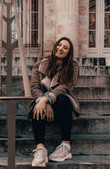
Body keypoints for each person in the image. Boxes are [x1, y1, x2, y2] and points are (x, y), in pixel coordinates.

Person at [28, 37, 80, 167]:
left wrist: (47, 99)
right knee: (37, 105)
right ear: (55, 46)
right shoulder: (40, 65)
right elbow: (34, 87)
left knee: (63, 99)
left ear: (69, 52)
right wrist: (43, 101)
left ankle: (65, 146)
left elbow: (65, 87)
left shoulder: (72, 67)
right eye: (59, 45)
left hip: (63, 107)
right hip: (43, 106)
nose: (61, 48)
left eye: (65, 47)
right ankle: (40, 149)